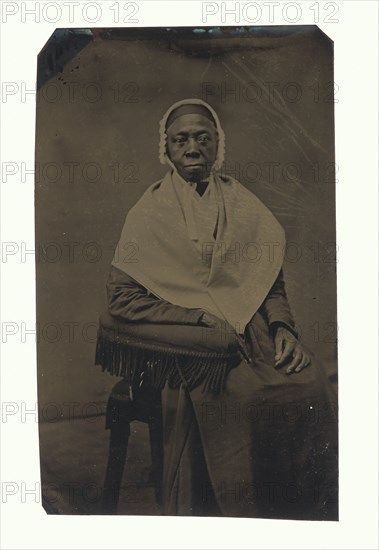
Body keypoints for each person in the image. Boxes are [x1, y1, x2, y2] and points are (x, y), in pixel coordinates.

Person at [106, 99, 338, 520]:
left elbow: (269, 281)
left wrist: (284, 328)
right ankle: (231, 516)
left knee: (311, 383)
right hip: (189, 346)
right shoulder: (148, 213)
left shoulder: (243, 203)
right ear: (167, 150)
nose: (192, 147)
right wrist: (194, 317)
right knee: (240, 402)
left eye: (202, 138)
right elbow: (122, 300)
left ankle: (299, 516)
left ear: (217, 146)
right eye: (181, 139)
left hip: (252, 330)